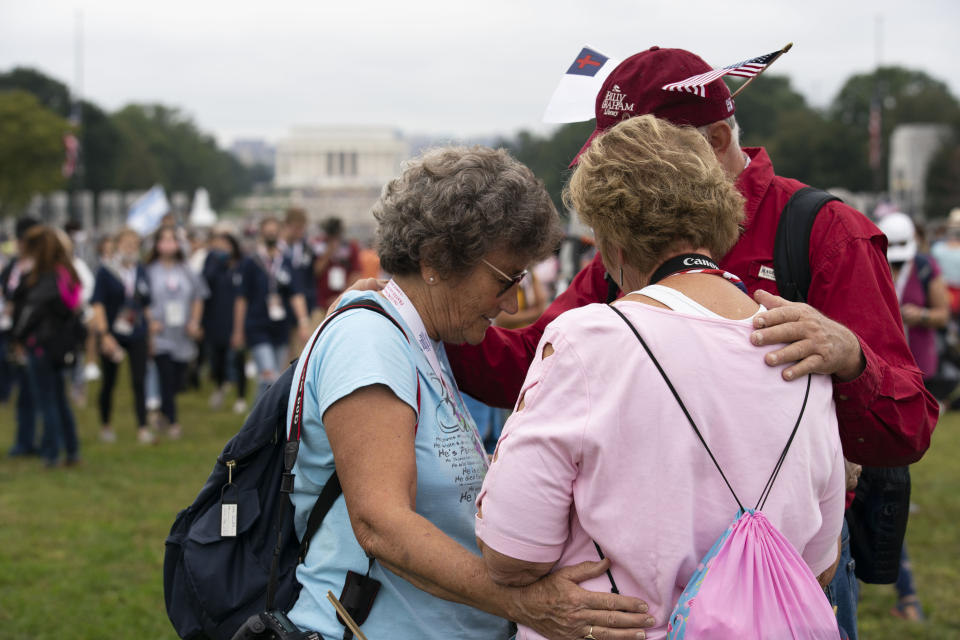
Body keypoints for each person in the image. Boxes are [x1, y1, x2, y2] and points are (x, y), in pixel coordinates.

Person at [445, 46, 938, 640]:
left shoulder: (825, 231)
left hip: (785, 568)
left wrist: (852, 360)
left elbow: (909, 425)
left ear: (719, 138)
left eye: (644, 153)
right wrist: (432, 314)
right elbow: (527, 365)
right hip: (653, 560)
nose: (628, 178)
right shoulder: (624, 249)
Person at [475, 115, 845, 640]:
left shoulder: (588, 340)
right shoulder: (801, 343)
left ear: (614, 244)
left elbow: (511, 554)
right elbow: (820, 563)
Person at [287, 146, 654, 639]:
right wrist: (526, 604)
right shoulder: (369, 341)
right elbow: (380, 523)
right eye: (505, 280)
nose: (511, 302)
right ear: (437, 258)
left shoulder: (422, 339)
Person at [877, 212, 945, 623]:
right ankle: (907, 596)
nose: (898, 270)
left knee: (895, 469)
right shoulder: (870, 260)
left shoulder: (925, 265)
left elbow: (942, 314)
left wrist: (916, 315)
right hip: (884, 373)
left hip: (919, 370)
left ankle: (908, 598)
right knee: (887, 473)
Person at [10, 225, 83, 468]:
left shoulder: (45, 278)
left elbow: (29, 313)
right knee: (60, 399)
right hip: (61, 346)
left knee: (47, 402)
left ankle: (51, 454)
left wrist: (17, 337)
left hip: (41, 346)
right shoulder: (67, 274)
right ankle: (71, 450)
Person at [232, 216, 310, 399]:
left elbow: (295, 294)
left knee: (275, 378)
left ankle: (260, 419)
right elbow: (241, 298)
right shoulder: (251, 262)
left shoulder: (286, 261)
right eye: (268, 232)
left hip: (280, 326)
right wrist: (237, 330)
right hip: (257, 324)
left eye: (274, 232)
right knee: (268, 375)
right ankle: (258, 422)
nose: (271, 235)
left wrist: (303, 321)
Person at [91, 228, 155, 444]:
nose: (131, 248)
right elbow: (97, 303)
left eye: (135, 244)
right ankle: (106, 424)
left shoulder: (141, 270)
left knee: (139, 379)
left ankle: (142, 427)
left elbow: (145, 303)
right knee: (109, 380)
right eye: (127, 243)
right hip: (112, 332)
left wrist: (150, 332)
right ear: (117, 245)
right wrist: (104, 334)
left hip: (136, 332)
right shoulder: (106, 271)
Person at [145, 225, 209, 439]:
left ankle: (162, 411)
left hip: (182, 334)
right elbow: (142, 299)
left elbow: (199, 296)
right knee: (165, 375)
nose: (168, 244)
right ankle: (172, 422)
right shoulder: (150, 271)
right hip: (161, 335)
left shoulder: (186, 270)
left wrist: (195, 321)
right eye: (163, 240)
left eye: (172, 240)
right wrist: (150, 323)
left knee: (177, 378)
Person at [2, 217, 41, 456]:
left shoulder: (40, 269)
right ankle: (24, 439)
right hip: (9, 333)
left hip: (30, 335)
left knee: (30, 391)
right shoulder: (12, 267)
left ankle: (28, 440)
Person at [203, 224, 249, 414]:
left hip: (237, 318)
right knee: (218, 356)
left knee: (239, 358)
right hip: (216, 318)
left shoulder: (242, 265)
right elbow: (205, 281)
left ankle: (240, 396)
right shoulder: (211, 262)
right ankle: (220, 386)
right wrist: (215, 260)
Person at [313, 216, 360, 310]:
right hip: (321, 303)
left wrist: (342, 296)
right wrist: (329, 251)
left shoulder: (350, 247)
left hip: (344, 302)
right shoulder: (318, 246)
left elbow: (356, 274)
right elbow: (315, 271)